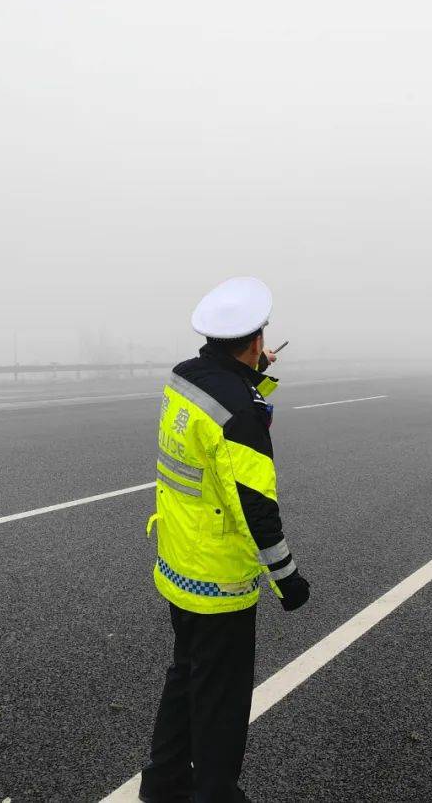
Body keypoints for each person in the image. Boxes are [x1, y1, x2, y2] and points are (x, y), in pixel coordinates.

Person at [138, 276, 310, 803]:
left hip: (177, 561)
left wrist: (251, 382)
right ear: (256, 341)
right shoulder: (240, 410)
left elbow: (224, 409)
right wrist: (288, 578)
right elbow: (256, 505)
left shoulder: (184, 378)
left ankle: (163, 784)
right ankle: (215, 794)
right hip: (219, 577)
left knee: (186, 677)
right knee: (223, 701)